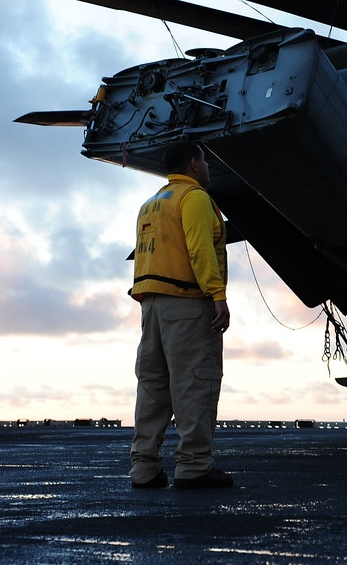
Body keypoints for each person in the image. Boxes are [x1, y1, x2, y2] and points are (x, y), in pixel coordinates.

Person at [128, 141, 233, 489]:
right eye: (204, 161)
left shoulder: (151, 204)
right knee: (194, 383)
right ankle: (194, 467)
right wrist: (217, 296)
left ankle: (144, 469)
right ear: (193, 164)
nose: (207, 168)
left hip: (151, 307)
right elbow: (200, 247)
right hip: (187, 304)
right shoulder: (195, 198)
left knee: (153, 387)